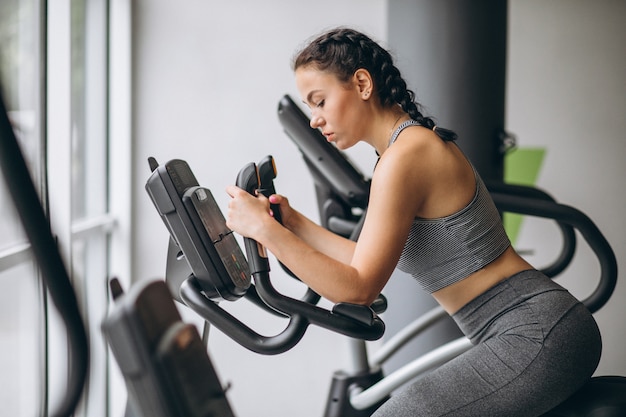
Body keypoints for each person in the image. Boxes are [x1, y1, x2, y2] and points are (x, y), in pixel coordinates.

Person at [225, 27, 601, 417]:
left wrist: (263, 230)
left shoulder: (406, 156)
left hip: (535, 331)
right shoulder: (402, 150)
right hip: (528, 329)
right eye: (310, 109)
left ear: (362, 83)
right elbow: (361, 261)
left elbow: (358, 290)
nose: (316, 120)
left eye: (319, 102)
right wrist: (293, 223)